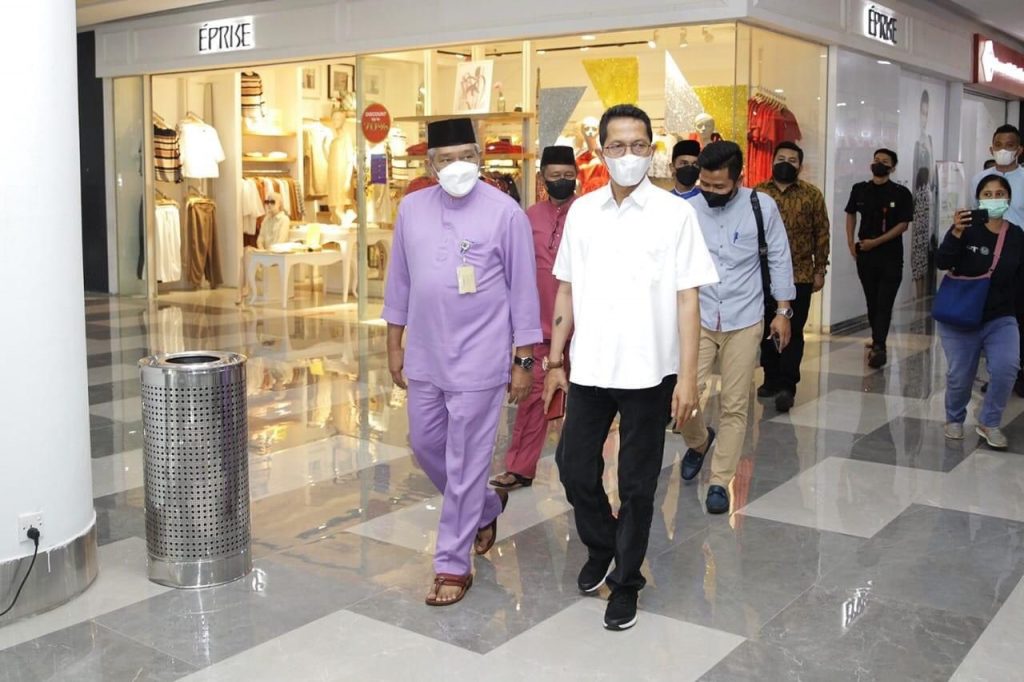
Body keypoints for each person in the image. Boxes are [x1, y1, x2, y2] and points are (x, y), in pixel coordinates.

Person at [542, 104, 718, 631]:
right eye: (616, 146)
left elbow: (688, 299)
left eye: (638, 145)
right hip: (591, 368)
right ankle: (602, 545)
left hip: (650, 372)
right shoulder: (583, 213)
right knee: (574, 469)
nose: (628, 155)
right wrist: (555, 360)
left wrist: (687, 377)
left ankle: (626, 581)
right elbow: (566, 289)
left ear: (651, 149)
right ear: (600, 152)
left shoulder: (674, 214)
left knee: (638, 486)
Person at [383, 117, 542, 607]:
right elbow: (399, 280)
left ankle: (452, 564)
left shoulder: (505, 212)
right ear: (430, 165)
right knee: (424, 444)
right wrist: (394, 343)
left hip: (481, 356)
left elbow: (523, 290)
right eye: (446, 159)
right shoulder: (412, 208)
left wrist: (523, 360)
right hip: (426, 353)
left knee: (468, 459)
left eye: (466, 157)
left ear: (480, 157)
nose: (457, 167)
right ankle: (487, 506)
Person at [680, 141, 795, 514]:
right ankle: (699, 442)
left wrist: (783, 311)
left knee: (734, 403)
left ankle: (719, 481)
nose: (710, 192)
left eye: (719, 186)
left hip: (744, 317)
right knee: (684, 397)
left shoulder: (762, 207)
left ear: (739, 179)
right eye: (705, 184)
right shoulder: (687, 210)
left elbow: (779, 256)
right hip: (697, 317)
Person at [490, 146, 578, 491]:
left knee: (585, 404)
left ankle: (580, 469)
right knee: (532, 400)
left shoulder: (586, 213)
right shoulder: (527, 216)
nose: (562, 181)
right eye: (555, 176)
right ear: (543, 178)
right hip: (540, 327)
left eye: (568, 175)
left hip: (583, 327)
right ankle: (519, 468)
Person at [936, 175, 1023, 449]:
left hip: (1000, 316)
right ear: (978, 199)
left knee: (1007, 367)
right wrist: (956, 233)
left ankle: (989, 421)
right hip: (960, 315)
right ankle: (954, 418)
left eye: (999, 194)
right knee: (960, 376)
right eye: (987, 194)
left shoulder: (1017, 236)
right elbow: (942, 261)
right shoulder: (966, 230)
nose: (994, 199)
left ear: (1009, 199)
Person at [755, 141, 829, 412]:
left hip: (800, 274)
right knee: (766, 329)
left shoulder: (812, 195)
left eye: (792, 160)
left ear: (800, 166)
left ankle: (788, 385)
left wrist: (820, 269)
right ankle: (771, 378)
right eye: (781, 158)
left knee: (793, 331)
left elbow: (821, 233)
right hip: (763, 277)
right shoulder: (757, 194)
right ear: (772, 161)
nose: (786, 163)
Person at [844, 148, 914, 369]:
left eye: (884, 161)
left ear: (892, 167)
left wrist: (877, 242)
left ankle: (879, 345)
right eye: (876, 160)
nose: (879, 164)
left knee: (885, 301)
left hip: (890, 255)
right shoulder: (860, 189)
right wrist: (850, 242)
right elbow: (850, 214)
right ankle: (877, 338)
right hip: (865, 254)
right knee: (872, 300)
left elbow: (903, 225)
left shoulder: (901, 193)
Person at [237, 192, 291, 303]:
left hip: (275, 255)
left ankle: (244, 290)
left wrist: (265, 252)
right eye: (267, 202)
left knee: (247, 255)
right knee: (246, 251)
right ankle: (242, 289)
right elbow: (260, 239)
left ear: (280, 204)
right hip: (264, 253)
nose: (269, 204)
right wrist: (262, 250)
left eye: (272, 202)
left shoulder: (284, 220)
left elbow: (280, 242)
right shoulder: (266, 219)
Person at [970, 125, 1024, 226]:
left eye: (1009, 145)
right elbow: (975, 212)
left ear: (1019, 150)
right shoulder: (978, 179)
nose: (1002, 150)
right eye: (998, 145)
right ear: (992, 150)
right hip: (986, 236)